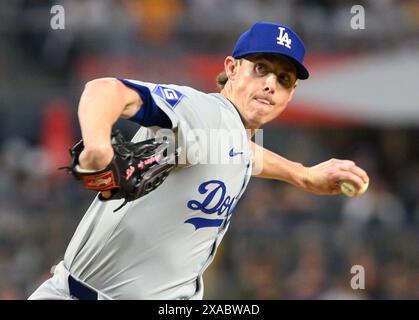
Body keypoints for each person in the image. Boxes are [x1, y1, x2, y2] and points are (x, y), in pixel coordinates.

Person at [29, 21, 369, 300]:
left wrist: (301, 175)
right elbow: (105, 89)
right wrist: (98, 148)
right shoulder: (204, 113)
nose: (270, 85)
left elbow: (244, 154)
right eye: (261, 68)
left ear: (291, 94)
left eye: (283, 79)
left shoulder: (232, 135)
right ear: (232, 69)